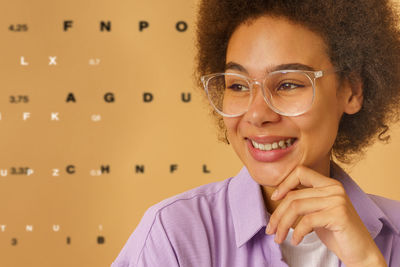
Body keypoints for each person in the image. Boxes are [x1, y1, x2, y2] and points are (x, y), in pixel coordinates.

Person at [111, 0, 400, 266]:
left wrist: (367, 261)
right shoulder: (174, 235)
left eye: (288, 84)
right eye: (237, 85)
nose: (257, 114)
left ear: (352, 90)